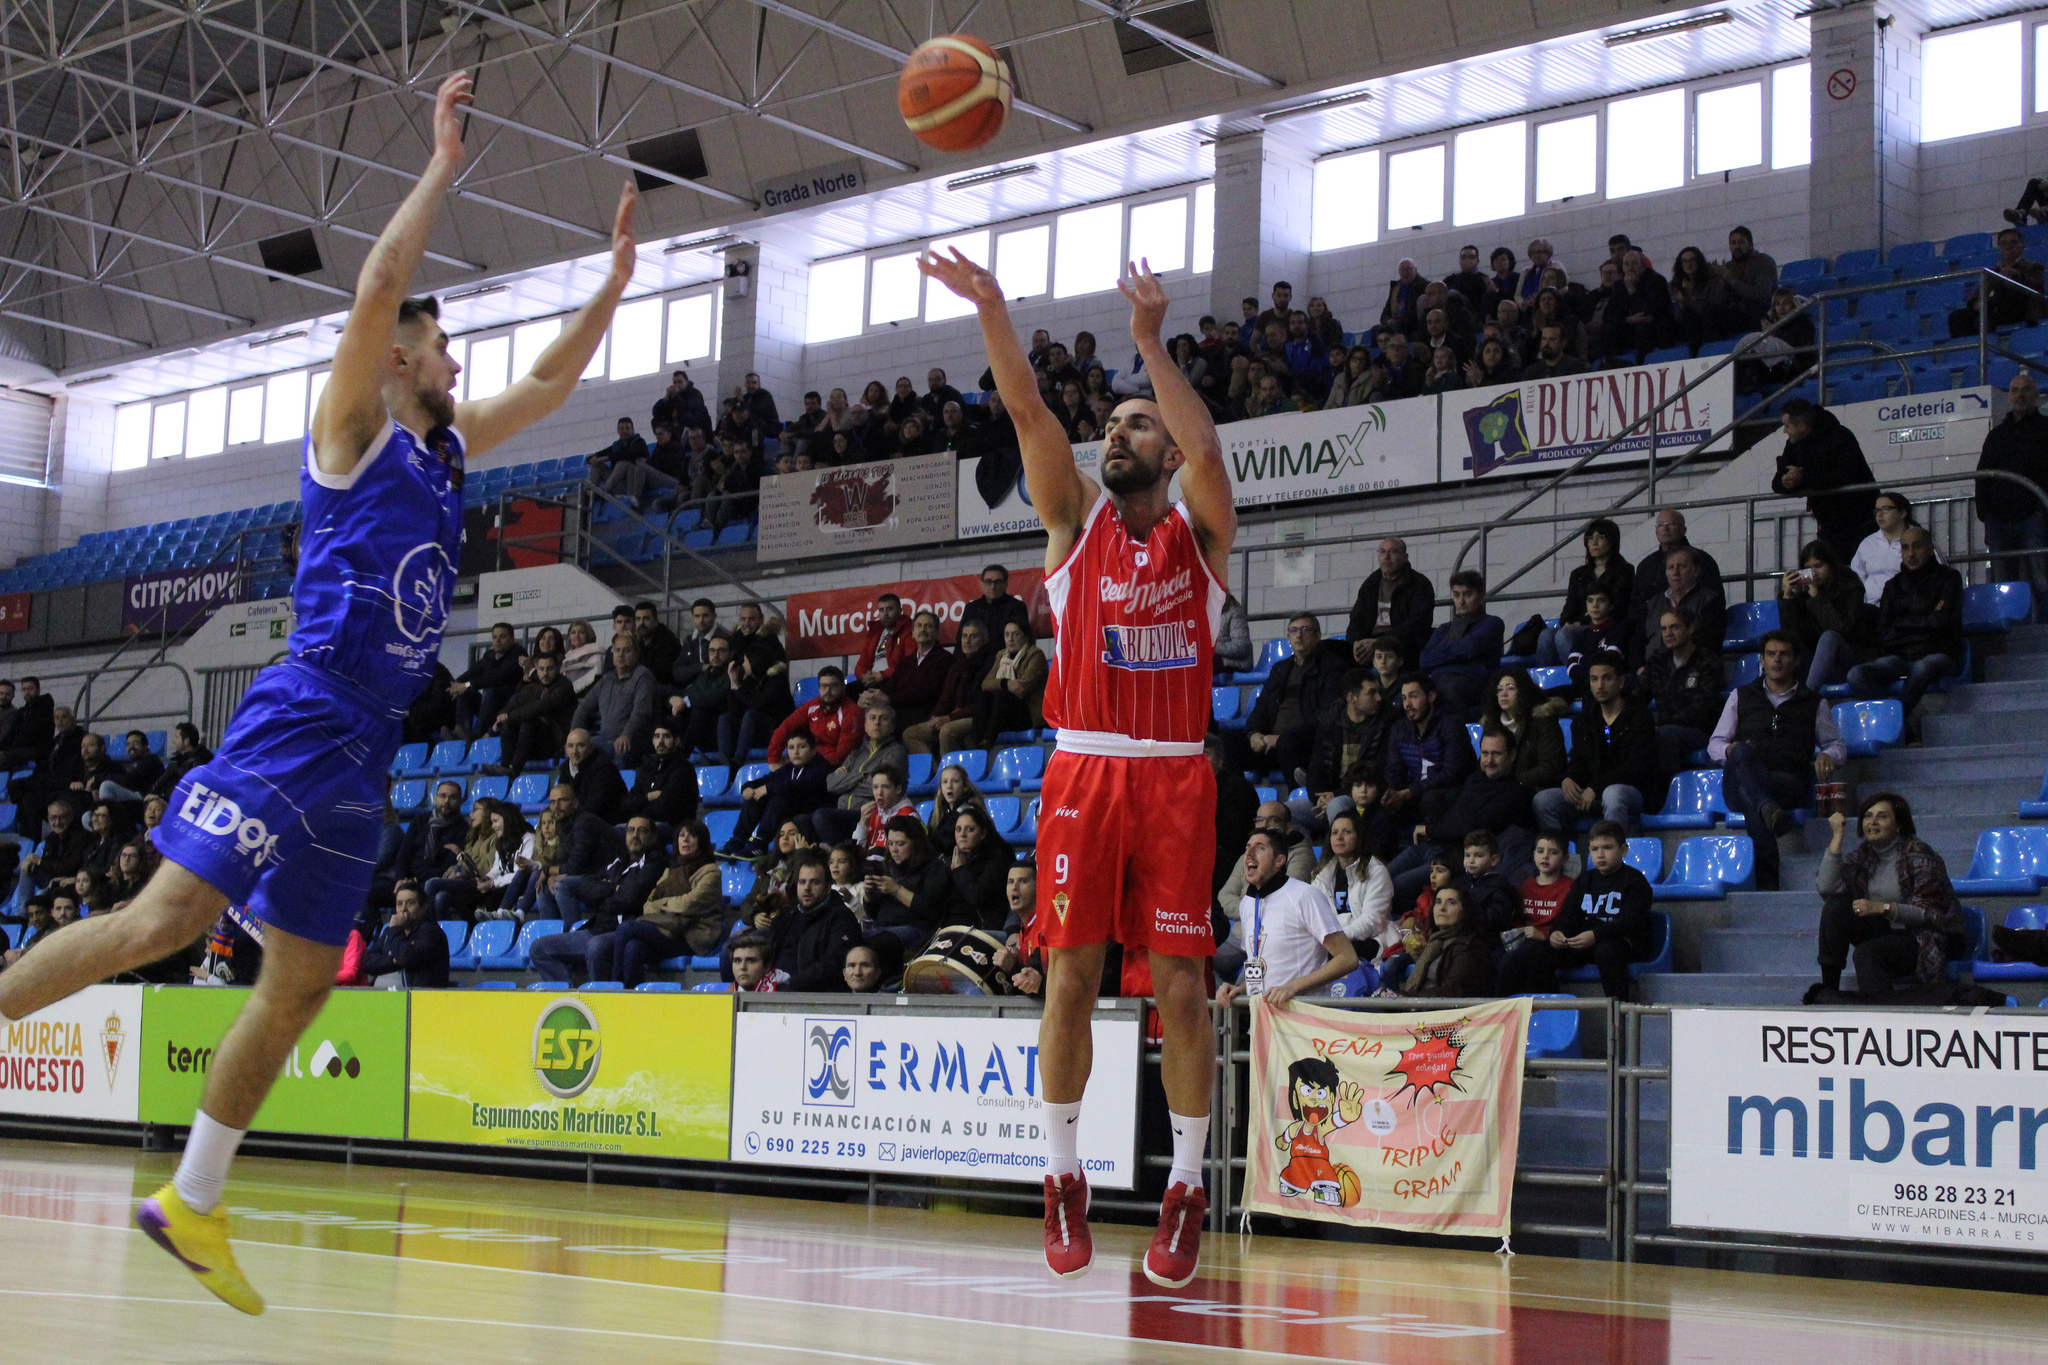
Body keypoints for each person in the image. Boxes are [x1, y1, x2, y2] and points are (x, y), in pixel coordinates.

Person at [0, 71, 638, 1314]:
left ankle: (190, 1198)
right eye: (445, 342)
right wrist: (443, 166)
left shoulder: (448, 451)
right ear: (404, 351)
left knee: (298, 981)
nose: (459, 362)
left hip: (364, 749)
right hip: (300, 714)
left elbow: (555, 389)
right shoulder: (352, 425)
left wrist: (611, 287)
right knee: (160, 925)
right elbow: (370, 291)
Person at [922, 246, 1232, 1285]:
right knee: (1070, 979)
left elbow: (1208, 451)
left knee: (1181, 992)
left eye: (1135, 421)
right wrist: (993, 313)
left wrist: (1150, 341)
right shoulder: (1073, 524)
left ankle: (1184, 1189)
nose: (1118, 430)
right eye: (1113, 422)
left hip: (1175, 778)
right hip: (1085, 772)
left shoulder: (1201, 537)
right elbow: (1027, 418)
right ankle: (1061, 1175)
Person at [1708, 630, 1844, 891]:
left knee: (1750, 796)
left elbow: (1836, 745)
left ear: (1797, 661)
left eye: (1784, 654)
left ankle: (1767, 872)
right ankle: (1767, 807)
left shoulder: (1813, 702)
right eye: (1771, 654)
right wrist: (1730, 750)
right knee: (1739, 752)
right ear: (1761, 659)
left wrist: (1827, 755)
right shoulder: (1741, 695)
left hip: (1787, 783)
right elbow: (1715, 744)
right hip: (1741, 777)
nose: (1777, 660)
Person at [1810, 792, 1962, 1000]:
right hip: (1886, 932)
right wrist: (1837, 838)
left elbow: (1931, 914)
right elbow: (1827, 888)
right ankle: (1829, 993)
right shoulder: (1863, 856)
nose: (1872, 822)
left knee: (1866, 953)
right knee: (1835, 909)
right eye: (1867, 816)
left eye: (1882, 816)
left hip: (1921, 936)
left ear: (1899, 825)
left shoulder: (1919, 855)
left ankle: (1881, 1013)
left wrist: (1883, 908)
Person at [1497, 821, 1654, 999]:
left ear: (1623, 850)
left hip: (1624, 942)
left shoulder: (1635, 881)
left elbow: (1631, 922)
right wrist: (1557, 933)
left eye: (1607, 848)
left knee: (1607, 950)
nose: (1600, 854)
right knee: (1537, 953)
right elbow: (1569, 915)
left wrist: (1595, 934)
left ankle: (1619, 1011)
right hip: (1587, 942)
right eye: (1595, 849)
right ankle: (1555, 1009)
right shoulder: (1585, 880)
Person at [1386, 729, 1535, 908]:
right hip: (1432, 846)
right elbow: (1456, 816)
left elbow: (1470, 827)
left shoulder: (1514, 794)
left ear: (1511, 756)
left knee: (1393, 887)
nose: (1489, 760)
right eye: (1485, 753)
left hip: (1454, 860)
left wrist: (1429, 829)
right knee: (1379, 877)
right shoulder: (1474, 779)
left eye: (1496, 754)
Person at [1215, 829, 1358, 1009]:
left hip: (1302, 1021)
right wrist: (1241, 989)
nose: (1249, 853)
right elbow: (1265, 967)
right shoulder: (1247, 904)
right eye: (1248, 847)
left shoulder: (1305, 895)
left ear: (1279, 861)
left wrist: (1293, 987)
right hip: (1264, 1021)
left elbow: (1347, 958)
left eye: (1260, 848)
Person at [1848, 526, 1965, 739]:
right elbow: (1883, 632)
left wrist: (1902, 625)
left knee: (1923, 667)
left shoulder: (1949, 578)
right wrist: (1922, 626)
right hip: (1900, 656)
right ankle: (1904, 727)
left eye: (1917, 546)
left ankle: (1891, 723)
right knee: (1856, 675)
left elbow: (1942, 623)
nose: (1910, 553)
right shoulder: (1892, 586)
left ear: (1930, 549)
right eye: (1905, 547)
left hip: (1940, 653)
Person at [533, 815, 665, 981]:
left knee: (596, 947)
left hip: (626, 931)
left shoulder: (656, 863)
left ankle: (603, 999)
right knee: (539, 948)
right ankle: (570, 998)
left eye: (642, 830)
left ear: (653, 837)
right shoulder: (619, 861)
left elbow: (631, 897)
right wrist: (613, 888)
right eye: (630, 830)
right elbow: (586, 887)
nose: (635, 835)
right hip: (598, 929)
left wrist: (606, 889)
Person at [1535, 654, 1655, 833]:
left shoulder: (1640, 718)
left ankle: (1615, 855)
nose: (1599, 686)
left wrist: (1595, 787)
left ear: (1621, 682)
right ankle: (1563, 854)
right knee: (1544, 800)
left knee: (1613, 794)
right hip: (1592, 792)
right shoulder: (1584, 721)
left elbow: (1635, 768)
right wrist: (1568, 778)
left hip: (1631, 792)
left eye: (1606, 678)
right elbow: (1579, 760)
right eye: (1594, 679)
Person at [595, 820, 721, 986]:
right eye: (682, 836)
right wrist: (667, 905)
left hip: (691, 935)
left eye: (692, 836)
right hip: (668, 929)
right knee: (634, 947)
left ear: (702, 841)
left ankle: (616, 987)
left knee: (627, 928)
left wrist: (662, 904)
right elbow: (648, 905)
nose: (686, 840)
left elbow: (688, 904)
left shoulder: (710, 872)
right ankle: (631, 997)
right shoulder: (670, 871)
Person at [1976, 369, 2048, 620]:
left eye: (2025, 389)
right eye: (2015, 390)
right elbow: (1983, 474)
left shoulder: (2046, 430)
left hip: (2033, 516)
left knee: (2042, 578)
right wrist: (1985, 514)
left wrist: (2041, 510)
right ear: (2008, 397)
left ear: (2036, 395)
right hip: (1998, 520)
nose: (2020, 395)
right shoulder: (1996, 435)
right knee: (2003, 581)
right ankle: (2007, 630)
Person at [1242, 613, 1349, 782]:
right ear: (1288, 637)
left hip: (1307, 745)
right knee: (1228, 744)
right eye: (1293, 630)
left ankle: (1297, 799)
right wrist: (1253, 733)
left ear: (1317, 635)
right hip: (1272, 744)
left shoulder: (1332, 668)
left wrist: (1281, 739)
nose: (1298, 635)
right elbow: (1262, 705)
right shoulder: (1280, 669)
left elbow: (1327, 715)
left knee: (1288, 744)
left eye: (1305, 630)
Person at [1291, 671, 1393, 837]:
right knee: (1286, 812)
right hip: (1330, 797)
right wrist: (1320, 798)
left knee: (1336, 806)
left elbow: (1378, 773)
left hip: (1362, 798)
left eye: (1379, 692)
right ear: (1352, 698)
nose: (1379, 698)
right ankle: (1308, 858)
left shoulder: (1385, 724)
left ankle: (1340, 859)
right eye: (1371, 693)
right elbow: (1316, 768)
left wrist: (1335, 796)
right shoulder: (1329, 723)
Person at [1772, 399, 1876, 560]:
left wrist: (1802, 479)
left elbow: (1844, 475)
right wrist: (1788, 482)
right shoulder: (1794, 444)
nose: (1784, 430)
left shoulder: (1840, 436)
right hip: (1828, 526)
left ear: (1802, 426)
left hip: (1861, 522)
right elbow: (1778, 481)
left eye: (1787, 425)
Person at [1778, 539, 1877, 691]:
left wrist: (1817, 598)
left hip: (1849, 658)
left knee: (1829, 637)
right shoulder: (1804, 592)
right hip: (1814, 662)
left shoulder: (1850, 586)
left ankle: (1807, 699)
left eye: (1818, 565)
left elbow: (1842, 628)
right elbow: (1792, 636)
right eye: (1808, 568)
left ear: (1831, 566)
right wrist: (1789, 598)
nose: (1813, 573)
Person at [1382, 673, 1474, 830]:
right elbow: (1394, 771)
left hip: (1452, 794)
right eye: (1404, 698)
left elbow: (1451, 775)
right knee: (1379, 804)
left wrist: (1408, 793)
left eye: (1413, 696)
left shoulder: (1451, 725)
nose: (1407, 704)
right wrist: (1392, 795)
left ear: (1431, 696)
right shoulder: (1399, 730)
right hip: (1415, 794)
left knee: (1431, 799)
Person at [760, 847, 862, 990]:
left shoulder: (841, 918)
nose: (807, 888)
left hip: (811, 995)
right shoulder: (784, 918)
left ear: (828, 887)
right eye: (802, 882)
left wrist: (791, 984)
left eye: (815, 882)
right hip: (774, 990)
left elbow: (834, 965)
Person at [810, 705, 908, 846]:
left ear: (892, 727)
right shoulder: (856, 754)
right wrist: (862, 776)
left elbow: (880, 788)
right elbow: (831, 783)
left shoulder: (896, 752)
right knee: (800, 822)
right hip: (843, 813)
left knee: (821, 816)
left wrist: (845, 782)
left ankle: (844, 855)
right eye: (872, 718)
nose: (877, 723)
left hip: (868, 814)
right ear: (865, 726)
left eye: (883, 718)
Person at [1644, 609, 1726, 776]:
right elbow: (1639, 695)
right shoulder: (1658, 660)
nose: (1668, 633)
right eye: (1664, 629)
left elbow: (1701, 709)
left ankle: (1667, 793)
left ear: (1690, 628)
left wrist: (1660, 725)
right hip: (1665, 728)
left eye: (1674, 627)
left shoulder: (1708, 661)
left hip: (1700, 732)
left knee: (1664, 735)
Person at [1542, 519, 1634, 666]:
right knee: (1545, 635)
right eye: (1590, 538)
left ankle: (1581, 676)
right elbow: (1569, 606)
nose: (1594, 542)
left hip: (1605, 626)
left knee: (1563, 635)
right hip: (1578, 625)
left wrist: (1580, 622)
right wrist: (1566, 621)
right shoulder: (1578, 574)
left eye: (1600, 537)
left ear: (1612, 541)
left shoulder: (1624, 570)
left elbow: (1617, 607)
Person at [727, 728, 830, 856]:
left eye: (802, 747)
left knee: (779, 797)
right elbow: (764, 780)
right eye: (791, 748)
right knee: (755, 796)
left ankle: (760, 843)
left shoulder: (822, 767)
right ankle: (738, 840)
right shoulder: (788, 769)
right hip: (789, 811)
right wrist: (747, 788)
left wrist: (768, 788)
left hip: (810, 812)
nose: (796, 752)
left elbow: (801, 786)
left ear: (813, 750)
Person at [1419, 571, 1504, 721]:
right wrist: (1458, 652)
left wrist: (1443, 651)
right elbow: (1425, 659)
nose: (1461, 601)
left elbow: (1470, 648)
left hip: (1479, 685)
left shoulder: (1493, 623)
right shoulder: (1444, 629)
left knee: (1450, 687)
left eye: (1467, 594)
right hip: (1444, 682)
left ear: (1481, 595)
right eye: (1457, 595)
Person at [902, 622, 993, 758]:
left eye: (973, 637)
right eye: (964, 636)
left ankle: (951, 774)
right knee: (911, 734)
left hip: (976, 717)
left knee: (946, 731)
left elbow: (983, 704)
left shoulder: (989, 664)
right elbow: (945, 697)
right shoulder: (957, 665)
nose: (967, 641)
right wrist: (935, 716)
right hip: (952, 717)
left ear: (984, 640)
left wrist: (950, 717)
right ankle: (935, 773)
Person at [1311, 809, 1394, 958]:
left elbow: (1372, 921)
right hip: (1332, 941)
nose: (1339, 837)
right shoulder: (1321, 875)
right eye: (1335, 833)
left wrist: (1338, 938)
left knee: (1331, 954)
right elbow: (1315, 918)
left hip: (1370, 939)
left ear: (1358, 837)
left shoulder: (1377, 871)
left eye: (1347, 832)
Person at [1345, 538, 1436, 669]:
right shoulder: (1371, 584)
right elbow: (1356, 619)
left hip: (1403, 646)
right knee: (1330, 654)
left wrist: (1380, 643)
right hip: (1370, 643)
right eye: (1382, 552)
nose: (1386, 557)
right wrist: (1356, 642)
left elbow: (1417, 625)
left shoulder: (1419, 584)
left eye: (1393, 552)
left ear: (1405, 557)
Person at [1629, 508, 1724, 630]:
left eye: (1671, 524)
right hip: (1654, 633)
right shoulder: (1646, 565)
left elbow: (1715, 602)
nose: (1665, 528)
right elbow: (1636, 606)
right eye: (1660, 525)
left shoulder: (1703, 560)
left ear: (1684, 530)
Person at [1635, 546, 1726, 672]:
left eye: (1681, 566)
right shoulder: (1652, 604)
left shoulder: (1710, 601)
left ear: (1696, 571)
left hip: (1695, 671)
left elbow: (1711, 643)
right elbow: (1637, 642)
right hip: (1652, 672)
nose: (1675, 572)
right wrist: (1640, 666)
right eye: (1670, 567)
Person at [1397, 884, 1495, 998]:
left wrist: (1405, 998)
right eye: (1438, 902)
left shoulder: (1470, 948)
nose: (1442, 908)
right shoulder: (1435, 943)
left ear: (1465, 911)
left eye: (1451, 902)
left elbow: (1451, 992)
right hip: (1423, 1008)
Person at [572, 634, 656, 766]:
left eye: (626, 650)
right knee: (576, 751)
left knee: (621, 750)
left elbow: (641, 712)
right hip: (607, 739)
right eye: (617, 650)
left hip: (636, 739)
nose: (621, 654)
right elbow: (583, 709)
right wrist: (574, 738)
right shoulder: (606, 680)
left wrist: (626, 735)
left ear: (636, 654)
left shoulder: (643, 677)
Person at [1480, 669, 1566, 793]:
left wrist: (1512, 782)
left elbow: (1551, 767)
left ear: (1523, 692)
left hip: (1532, 788)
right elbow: (1484, 764)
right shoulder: (1491, 724)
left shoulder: (1542, 720)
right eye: (1499, 689)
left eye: (1510, 688)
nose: (1503, 694)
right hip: (1499, 788)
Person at [489, 653, 576, 775]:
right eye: (541, 669)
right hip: (531, 745)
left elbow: (540, 707)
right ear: (536, 669)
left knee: (529, 720)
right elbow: (513, 705)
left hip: (555, 743)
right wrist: (502, 715)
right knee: (508, 723)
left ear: (557, 668)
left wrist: (510, 716)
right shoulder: (533, 688)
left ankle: (514, 769)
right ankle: (505, 767)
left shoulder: (564, 686)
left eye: (550, 669)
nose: (545, 673)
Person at [356, 881, 449, 988]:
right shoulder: (389, 932)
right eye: (399, 904)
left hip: (414, 999)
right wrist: (394, 960)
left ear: (423, 908)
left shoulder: (431, 932)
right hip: (378, 997)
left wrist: (395, 929)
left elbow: (407, 958)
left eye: (410, 903)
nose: (403, 908)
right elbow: (366, 962)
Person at [766, 665, 862, 768]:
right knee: (755, 783)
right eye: (823, 686)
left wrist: (809, 758)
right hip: (809, 762)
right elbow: (785, 727)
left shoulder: (852, 713)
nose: (827, 691)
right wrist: (773, 760)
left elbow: (841, 756)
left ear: (843, 687)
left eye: (833, 686)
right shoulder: (812, 706)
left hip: (833, 768)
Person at [938, 805, 1014, 930]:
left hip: (982, 929)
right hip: (950, 926)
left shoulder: (998, 859)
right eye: (958, 829)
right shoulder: (949, 857)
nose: (962, 835)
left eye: (970, 829)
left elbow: (976, 896)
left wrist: (959, 870)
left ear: (983, 833)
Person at [973, 620, 1048, 745]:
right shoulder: (1001, 655)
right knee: (983, 696)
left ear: (1026, 637)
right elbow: (985, 684)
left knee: (1003, 696)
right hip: (1004, 713)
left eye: (1015, 634)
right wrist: (1006, 683)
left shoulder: (1035, 655)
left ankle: (987, 742)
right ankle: (977, 744)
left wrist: (1002, 685)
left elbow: (1022, 688)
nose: (1010, 639)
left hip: (1027, 714)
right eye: (1007, 634)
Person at [875, 609, 951, 730]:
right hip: (899, 710)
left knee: (881, 721)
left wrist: (889, 699)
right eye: (919, 626)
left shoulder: (944, 659)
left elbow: (924, 692)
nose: (923, 630)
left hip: (923, 714)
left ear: (937, 633)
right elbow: (891, 685)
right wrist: (874, 696)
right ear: (913, 632)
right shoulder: (907, 661)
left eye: (928, 626)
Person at [449, 622, 524, 739]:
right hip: (489, 706)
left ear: (512, 639)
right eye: (494, 637)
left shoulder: (518, 654)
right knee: (464, 693)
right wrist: (456, 685)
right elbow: (471, 673)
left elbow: (497, 677)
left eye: (502, 637)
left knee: (490, 691)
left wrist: (467, 685)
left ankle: (475, 735)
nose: (497, 640)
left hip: (508, 706)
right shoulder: (489, 655)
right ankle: (462, 733)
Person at [619, 719, 699, 828]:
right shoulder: (648, 768)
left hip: (674, 829)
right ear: (652, 741)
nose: (660, 741)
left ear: (677, 741)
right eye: (657, 736)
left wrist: (638, 807)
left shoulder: (683, 769)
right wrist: (648, 796)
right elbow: (625, 804)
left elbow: (664, 809)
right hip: (647, 824)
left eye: (666, 736)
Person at [1849, 490, 1923, 605]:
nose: (1879, 514)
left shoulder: (1919, 540)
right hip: (1871, 607)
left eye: (1885, 509)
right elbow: (1856, 575)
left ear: (1902, 513)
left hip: (1905, 607)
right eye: (1877, 510)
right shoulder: (1868, 543)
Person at [556, 728, 627, 824]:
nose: (575, 751)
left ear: (590, 748)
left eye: (580, 746)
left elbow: (594, 807)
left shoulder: (604, 768)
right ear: (565, 749)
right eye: (570, 746)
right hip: (578, 822)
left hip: (606, 825)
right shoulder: (565, 769)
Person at [853, 593, 913, 691]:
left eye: (890, 609)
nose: (885, 614)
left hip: (893, 681)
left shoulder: (908, 630)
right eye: (881, 610)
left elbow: (909, 662)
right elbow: (861, 663)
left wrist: (882, 675)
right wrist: (864, 677)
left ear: (900, 610)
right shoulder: (875, 631)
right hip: (871, 681)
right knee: (844, 692)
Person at [671, 599, 732, 693]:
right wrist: (700, 668)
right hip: (688, 690)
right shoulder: (689, 640)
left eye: (705, 616)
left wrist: (690, 671)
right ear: (692, 617)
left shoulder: (724, 640)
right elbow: (677, 672)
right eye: (697, 616)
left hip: (712, 693)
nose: (701, 620)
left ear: (714, 616)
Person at [962, 564, 1031, 643]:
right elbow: (960, 641)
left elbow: (1023, 639)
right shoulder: (971, 608)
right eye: (988, 582)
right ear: (982, 584)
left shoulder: (1017, 607)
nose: (993, 586)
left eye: (998, 582)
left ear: (1006, 584)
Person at [96, 730, 166, 806]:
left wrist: (98, 778)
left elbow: (129, 780)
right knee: (87, 815)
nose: (131, 747)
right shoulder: (135, 764)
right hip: (136, 798)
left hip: (147, 800)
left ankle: (105, 815)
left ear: (145, 746)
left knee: (107, 786)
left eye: (135, 743)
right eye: (128, 744)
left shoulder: (151, 759)